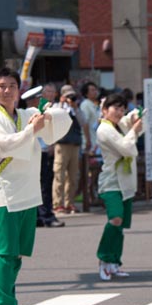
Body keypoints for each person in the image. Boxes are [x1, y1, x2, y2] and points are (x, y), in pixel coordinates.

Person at [0, 68, 70, 305]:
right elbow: (3, 145)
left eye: (12, 85)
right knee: (5, 251)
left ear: (19, 90)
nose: (7, 90)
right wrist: (33, 130)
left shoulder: (25, 114)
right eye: (2, 86)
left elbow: (61, 122)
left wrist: (46, 115)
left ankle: (11, 301)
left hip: (27, 191)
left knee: (17, 252)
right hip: (6, 192)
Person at [95, 93, 143, 281]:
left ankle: (114, 262)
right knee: (115, 219)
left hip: (125, 181)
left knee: (120, 224)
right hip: (111, 182)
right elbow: (126, 147)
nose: (119, 112)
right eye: (115, 108)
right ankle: (104, 259)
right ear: (105, 110)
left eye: (122, 108)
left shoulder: (118, 125)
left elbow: (132, 123)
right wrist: (134, 129)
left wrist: (134, 118)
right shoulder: (104, 129)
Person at [35, 85, 64, 228]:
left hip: (46, 152)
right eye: (48, 92)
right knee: (42, 186)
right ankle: (44, 215)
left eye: (53, 92)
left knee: (45, 185)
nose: (51, 94)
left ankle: (42, 215)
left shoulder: (52, 110)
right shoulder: (35, 112)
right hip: (39, 152)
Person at [53, 85, 83, 213]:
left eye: (72, 96)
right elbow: (54, 119)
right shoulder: (56, 107)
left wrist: (75, 108)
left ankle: (70, 202)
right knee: (59, 174)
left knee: (73, 175)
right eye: (68, 96)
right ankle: (57, 203)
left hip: (74, 145)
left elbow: (83, 122)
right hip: (62, 144)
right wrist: (62, 104)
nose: (70, 99)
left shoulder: (76, 109)